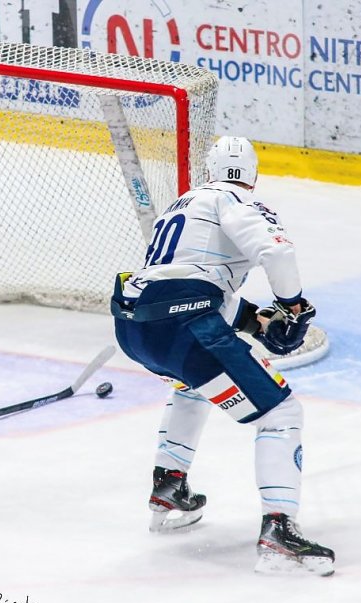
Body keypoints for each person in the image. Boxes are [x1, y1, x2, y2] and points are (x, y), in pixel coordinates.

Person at [111, 136, 334, 576]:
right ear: (253, 175)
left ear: (209, 171)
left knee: (192, 385)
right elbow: (276, 250)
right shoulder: (236, 199)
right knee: (281, 413)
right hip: (183, 327)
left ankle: (170, 485)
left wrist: (255, 322)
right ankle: (279, 531)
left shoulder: (180, 205)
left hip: (133, 327)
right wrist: (291, 306)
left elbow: (185, 280)